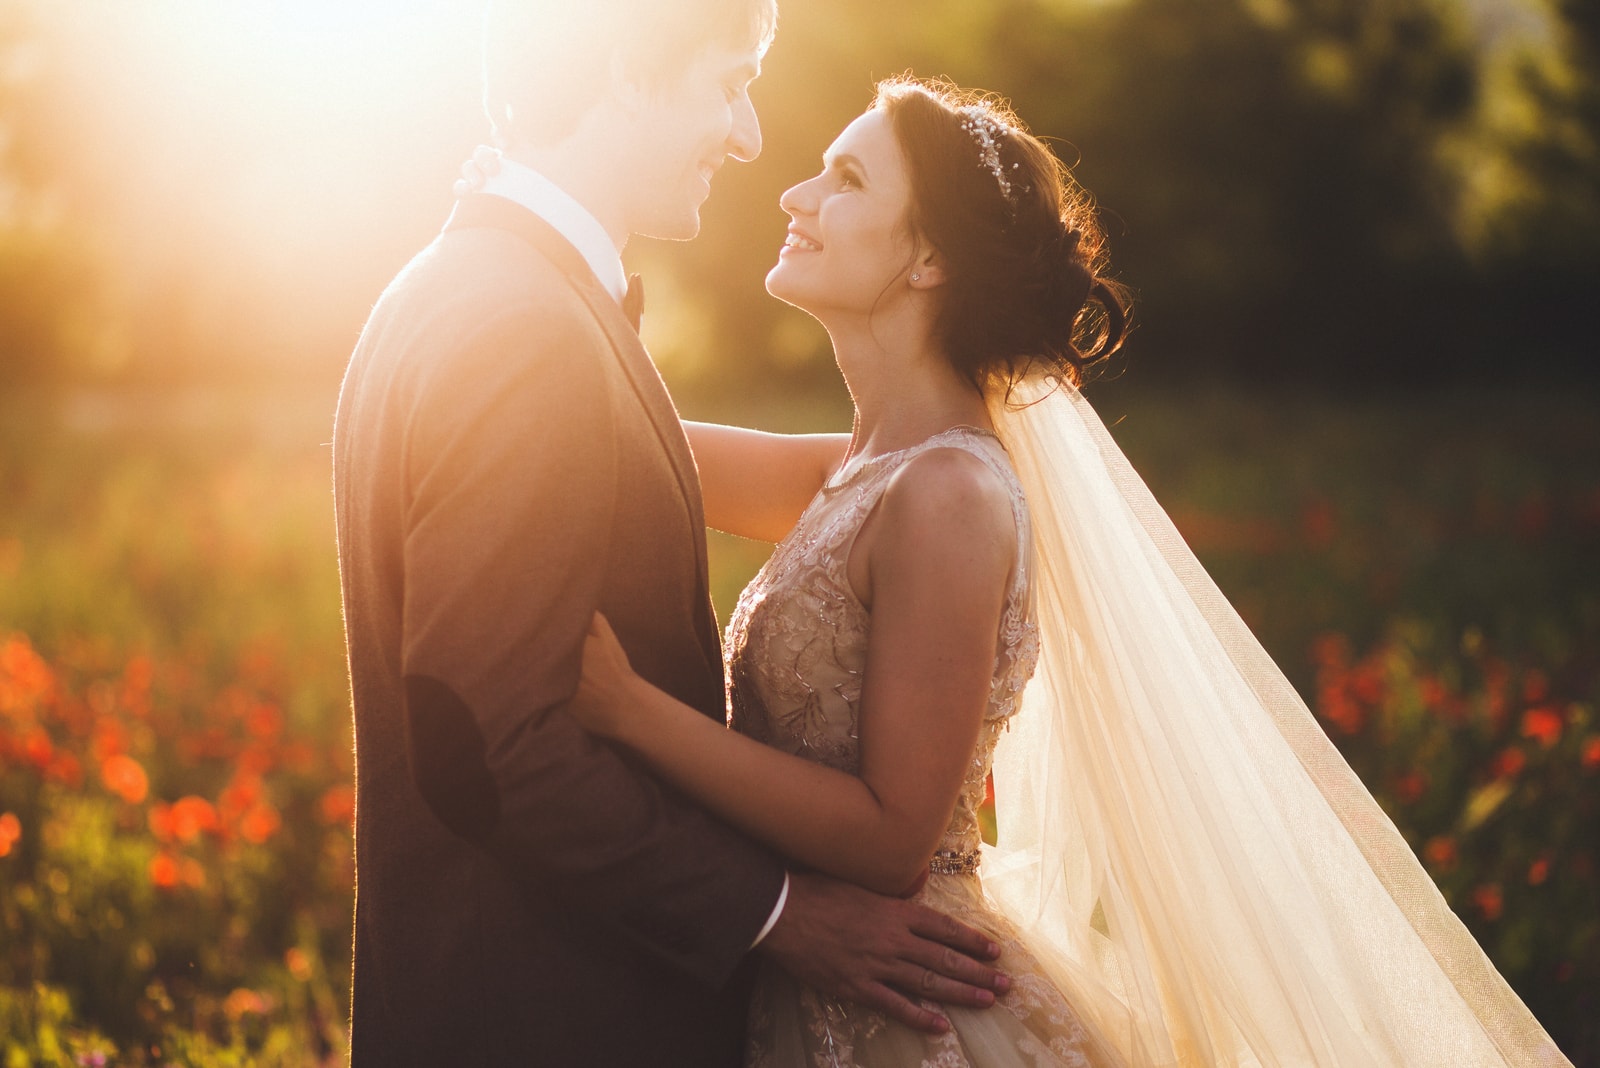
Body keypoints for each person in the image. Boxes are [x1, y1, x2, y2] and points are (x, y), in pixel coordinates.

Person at [570, 75, 1575, 1066]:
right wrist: (544, 292)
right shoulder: (858, 470)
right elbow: (626, 435)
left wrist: (627, 711)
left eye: (844, 178)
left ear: (927, 258)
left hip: (897, 1011)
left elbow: (890, 840)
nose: (795, 195)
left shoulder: (948, 498)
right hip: (811, 977)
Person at [331, 5, 1008, 1063]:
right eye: (727, 82)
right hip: (542, 1015)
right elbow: (488, 744)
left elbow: (865, 477)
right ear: (628, 72)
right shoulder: (524, 328)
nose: (747, 138)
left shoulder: (480, 291)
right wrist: (780, 914)